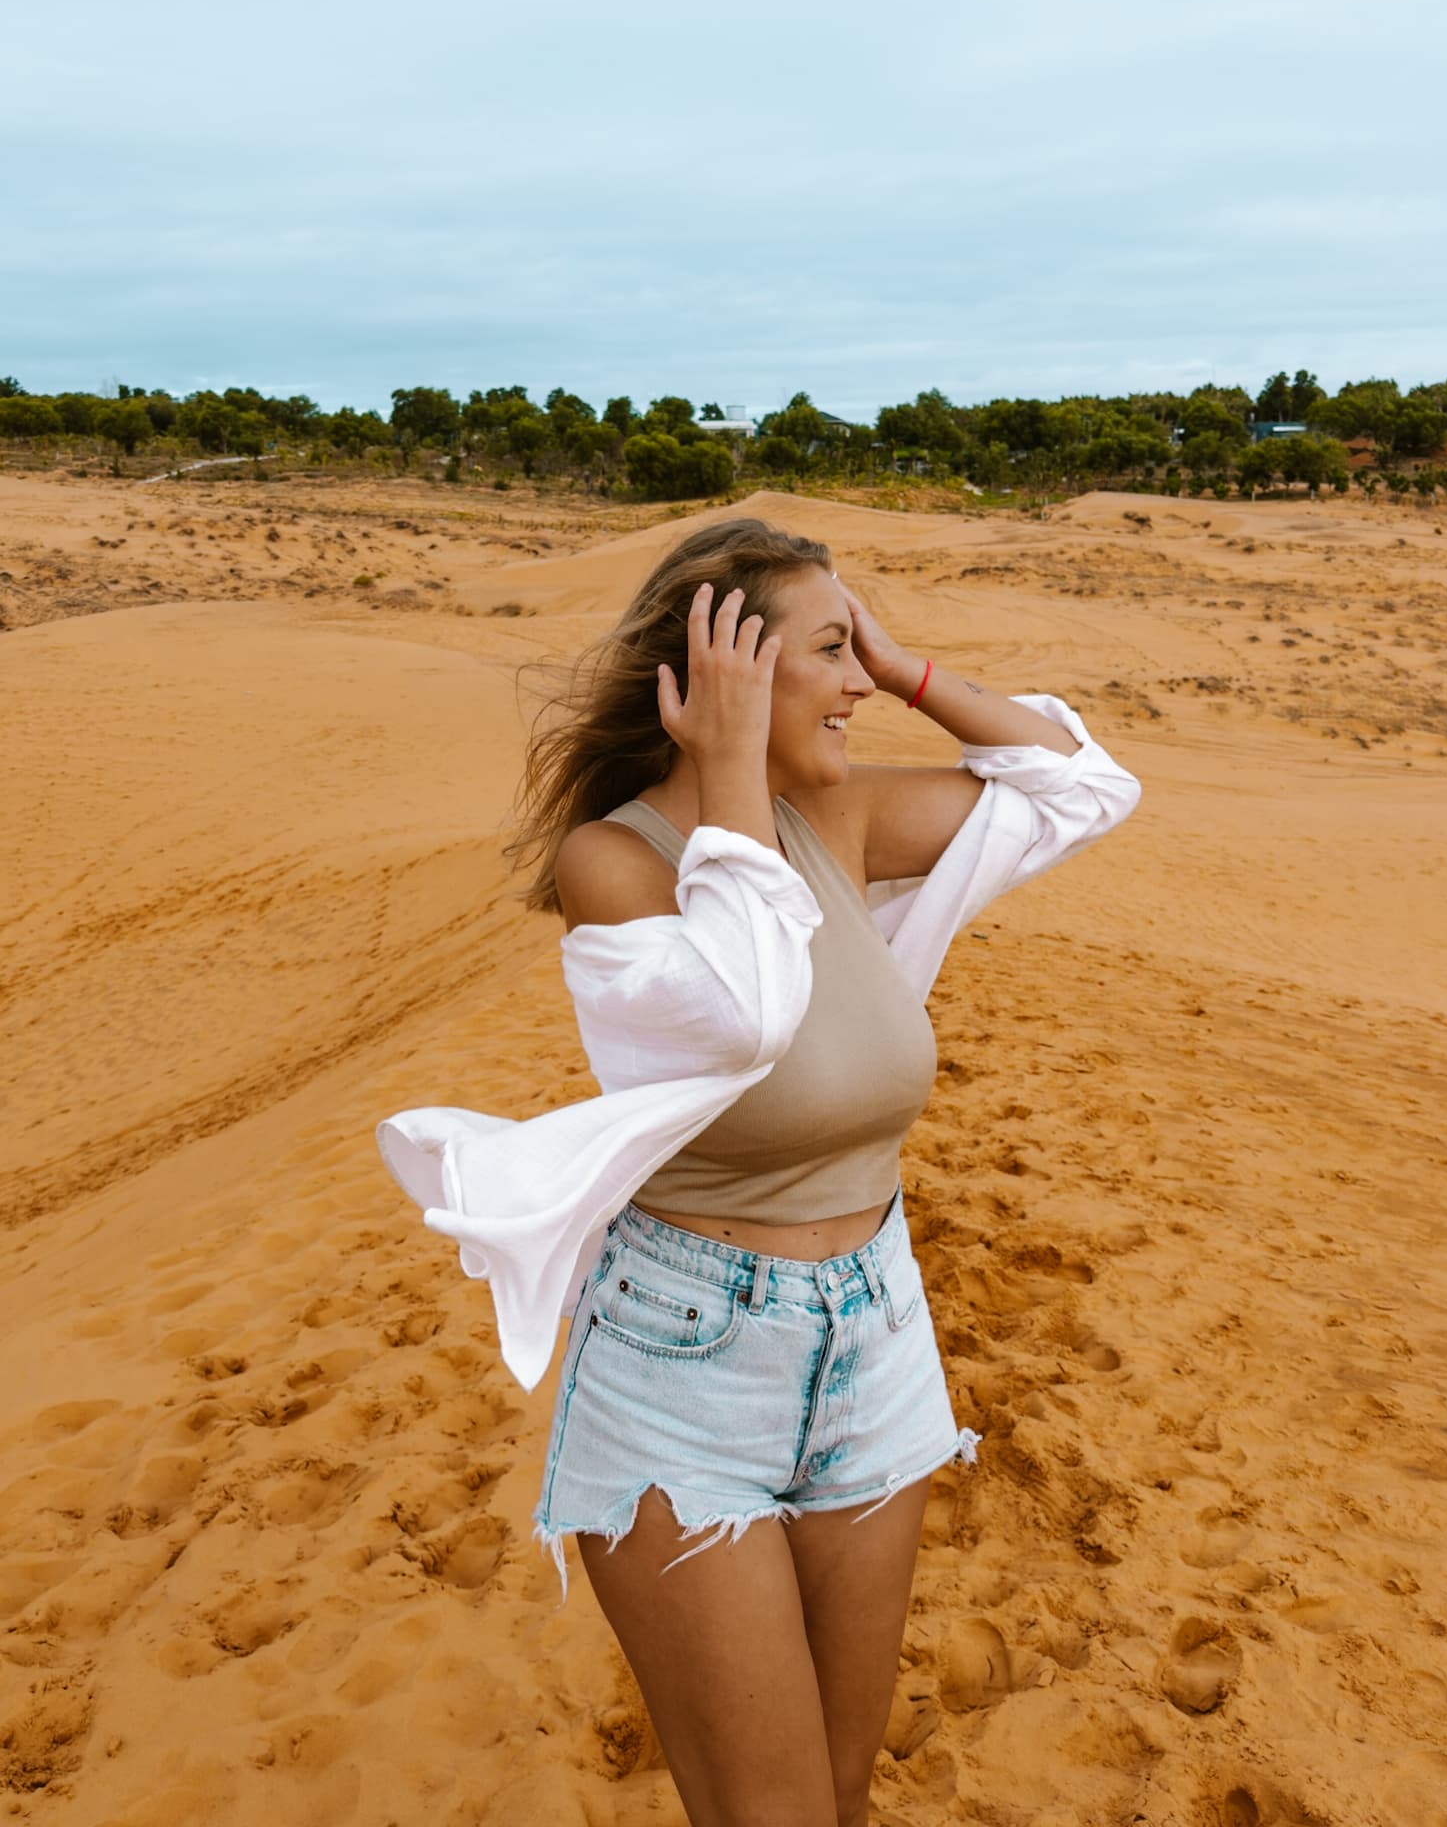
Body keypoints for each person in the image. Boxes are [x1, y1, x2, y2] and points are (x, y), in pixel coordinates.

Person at [378, 515, 1140, 1827]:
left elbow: (1084, 785)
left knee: (837, 1798)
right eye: (831, 653)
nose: (858, 685)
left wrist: (906, 666)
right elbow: (745, 1006)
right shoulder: (614, 863)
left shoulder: (837, 814)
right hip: (687, 1372)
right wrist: (728, 769)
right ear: (725, 671)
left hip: (878, 1347)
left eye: (862, 658)